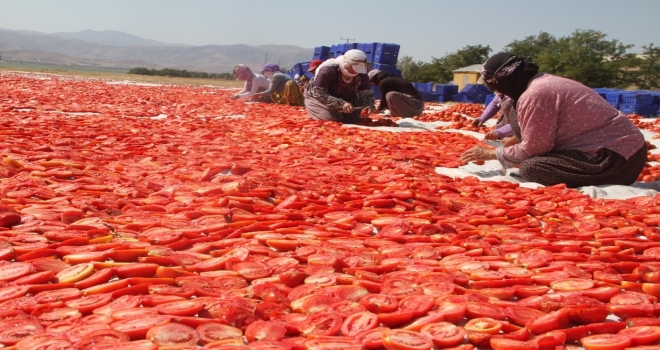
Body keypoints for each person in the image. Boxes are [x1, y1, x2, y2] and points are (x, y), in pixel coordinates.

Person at [460, 52, 647, 188]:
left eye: (494, 86)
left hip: (616, 160)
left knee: (533, 167)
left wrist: (491, 154)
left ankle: (606, 178)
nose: (497, 92)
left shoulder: (535, 94)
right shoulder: (538, 84)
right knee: (516, 115)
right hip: (623, 151)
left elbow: (536, 148)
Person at [304, 49, 375, 123]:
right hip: (319, 97)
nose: (356, 71)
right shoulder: (328, 70)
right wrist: (341, 104)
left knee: (354, 119)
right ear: (346, 63)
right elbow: (319, 93)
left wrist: (368, 105)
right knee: (330, 119)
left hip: (346, 98)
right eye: (355, 67)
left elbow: (367, 94)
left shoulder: (362, 74)